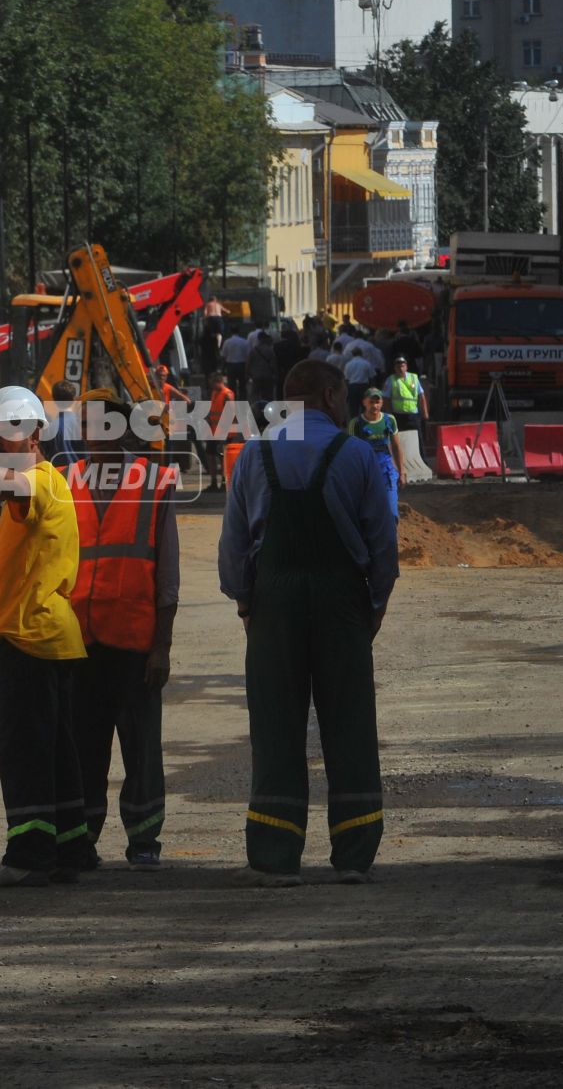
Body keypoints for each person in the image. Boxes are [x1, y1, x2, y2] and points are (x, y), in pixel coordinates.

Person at [217, 359, 399, 887]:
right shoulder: (358, 454)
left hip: (275, 601)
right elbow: (381, 537)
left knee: (275, 723)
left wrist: (246, 603)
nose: (346, 405)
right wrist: (378, 600)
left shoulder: (255, 453)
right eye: (342, 396)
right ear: (327, 395)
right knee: (349, 722)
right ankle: (354, 853)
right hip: (342, 600)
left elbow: (233, 544)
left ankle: (276, 854)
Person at [0, 385, 92, 887]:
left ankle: (30, 855)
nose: (8, 441)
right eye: (3, 433)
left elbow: (18, 495)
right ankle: (69, 849)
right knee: (56, 750)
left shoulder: (38, 480)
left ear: (37, 434)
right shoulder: (42, 480)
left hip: (31, 638)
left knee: (25, 751)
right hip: (48, 635)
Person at [67, 390, 178, 869]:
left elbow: (167, 572)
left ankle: (144, 841)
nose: (93, 437)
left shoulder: (155, 481)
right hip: (79, 640)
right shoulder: (64, 480)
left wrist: (162, 647)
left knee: (141, 749)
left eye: (101, 427)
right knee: (83, 746)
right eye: (87, 428)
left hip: (134, 641)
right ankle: (83, 837)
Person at [348, 386, 400, 518]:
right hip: (365, 471)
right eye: (371, 402)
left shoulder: (389, 420)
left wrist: (401, 470)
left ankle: (391, 536)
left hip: (386, 470)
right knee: (369, 513)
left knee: (392, 513)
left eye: (377, 402)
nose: (375, 405)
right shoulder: (356, 423)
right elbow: (351, 453)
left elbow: (396, 446)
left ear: (382, 403)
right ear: (364, 402)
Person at [203, 371, 239, 490]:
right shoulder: (215, 392)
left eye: (212, 383)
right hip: (214, 430)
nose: (210, 385)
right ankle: (214, 482)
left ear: (218, 382)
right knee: (210, 455)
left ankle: (224, 483)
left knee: (222, 458)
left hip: (224, 432)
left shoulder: (227, 394)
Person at [384, 355, 428, 440]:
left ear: (406, 367)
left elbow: (421, 396)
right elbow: (386, 398)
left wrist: (425, 412)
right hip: (398, 415)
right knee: (399, 439)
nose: (400, 368)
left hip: (413, 415)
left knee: (418, 439)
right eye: (398, 366)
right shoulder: (391, 380)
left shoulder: (413, 378)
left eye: (402, 366)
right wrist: (389, 414)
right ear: (394, 368)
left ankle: (421, 454)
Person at [44, 379, 82, 468]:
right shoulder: (82, 423)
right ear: (73, 399)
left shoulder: (49, 428)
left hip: (59, 477)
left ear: (54, 400)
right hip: (81, 475)